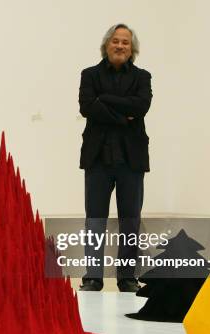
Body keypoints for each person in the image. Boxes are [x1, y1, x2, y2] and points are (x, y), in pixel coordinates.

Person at [78, 23, 153, 292]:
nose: (120, 46)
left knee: (130, 219)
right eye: (116, 41)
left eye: (126, 42)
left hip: (131, 160)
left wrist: (105, 100)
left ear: (132, 49)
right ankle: (93, 277)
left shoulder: (143, 77)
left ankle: (127, 277)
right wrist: (124, 117)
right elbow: (87, 107)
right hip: (97, 158)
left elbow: (141, 106)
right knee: (94, 219)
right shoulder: (89, 75)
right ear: (106, 44)